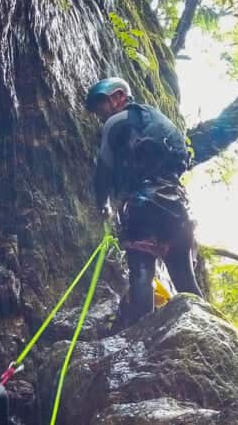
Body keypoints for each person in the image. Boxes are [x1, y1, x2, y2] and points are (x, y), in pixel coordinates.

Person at [85, 76, 204, 326]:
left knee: (142, 277)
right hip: (176, 209)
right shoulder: (161, 121)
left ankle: (139, 344)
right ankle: (207, 329)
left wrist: (102, 205)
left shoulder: (116, 122)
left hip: (142, 210)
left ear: (118, 96)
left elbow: (104, 169)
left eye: (101, 106)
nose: (99, 115)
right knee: (185, 281)